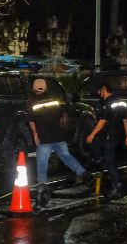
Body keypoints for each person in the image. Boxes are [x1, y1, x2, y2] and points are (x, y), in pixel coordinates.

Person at [27, 77, 90, 208]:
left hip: (44, 139)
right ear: (45, 89)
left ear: (34, 89)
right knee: (67, 157)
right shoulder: (54, 102)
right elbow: (63, 116)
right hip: (58, 137)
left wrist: (35, 134)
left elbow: (31, 121)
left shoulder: (33, 104)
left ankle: (41, 189)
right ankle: (83, 173)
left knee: (42, 164)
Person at [86, 82, 127, 198]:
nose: (99, 94)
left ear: (104, 89)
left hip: (110, 136)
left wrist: (91, 134)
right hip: (117, 136)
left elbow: (102, 121)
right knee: (97, 149)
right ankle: (108, 169)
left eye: (99, 91)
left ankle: (117, 185)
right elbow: (125, 120)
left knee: (109, 162)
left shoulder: (107, 102)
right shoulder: (120, 101)